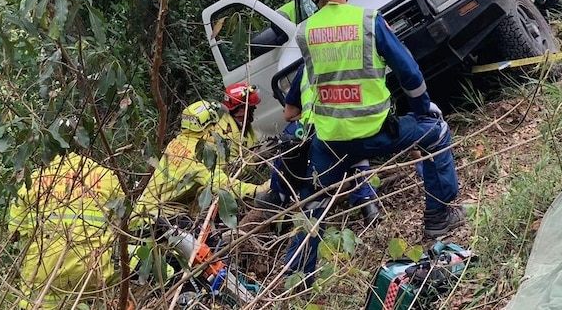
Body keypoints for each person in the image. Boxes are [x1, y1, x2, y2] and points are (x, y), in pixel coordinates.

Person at [284, 0, 463, 280]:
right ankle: (439, 217)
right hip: (375, 131)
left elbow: (304, 85)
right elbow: (409, 73)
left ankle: (296, 275)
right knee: (436, 132)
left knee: (313, 205)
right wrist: (424, 109)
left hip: (331, 142)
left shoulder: (305, 33)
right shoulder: (368, 21)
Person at [263, 66, 383, 227]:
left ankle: (280, 198)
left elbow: (288, 114)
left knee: (290, 141)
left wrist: (309, 111)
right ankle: (368, 204)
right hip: (349, 125)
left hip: (313, 129)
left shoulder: (305, 68)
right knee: (353, 150)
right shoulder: (348, 58)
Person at [8, 152, 123, 308]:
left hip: (44, 280)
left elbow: (15, 233)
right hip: (92, 277)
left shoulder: (33, 180)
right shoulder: (105, 176)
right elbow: (129, 222)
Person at [136, 100, 264, 219]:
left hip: (150, 208)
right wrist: (258, 190)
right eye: (215, 124)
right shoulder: (196, 157)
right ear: (208, 127)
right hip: (156, 217)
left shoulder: (179, 141)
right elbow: (222, 184)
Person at [215, 82, 261, 164]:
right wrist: (255, 158)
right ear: (242, 108)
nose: (255, 108)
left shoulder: (242, 123)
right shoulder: (227, 136)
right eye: (252, 107)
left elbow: (254, 143)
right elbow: (230, 170)